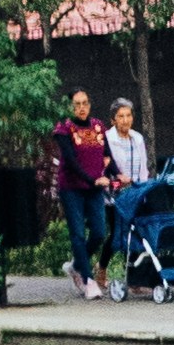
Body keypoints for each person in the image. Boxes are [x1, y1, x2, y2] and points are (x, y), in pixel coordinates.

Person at [51, 89, 115, 300]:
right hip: (72, 188)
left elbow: (106, 156)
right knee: (78, 234)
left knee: (98, 233)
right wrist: (92, 179)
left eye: (85, 103)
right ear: (70, 106)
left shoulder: (98, 126)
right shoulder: (64, 129)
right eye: (77, 104)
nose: (81, 108)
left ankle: (77, 266)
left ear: (89, 104)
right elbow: (71, 161)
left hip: (95, 189)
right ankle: (88, 281)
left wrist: (115, 174)